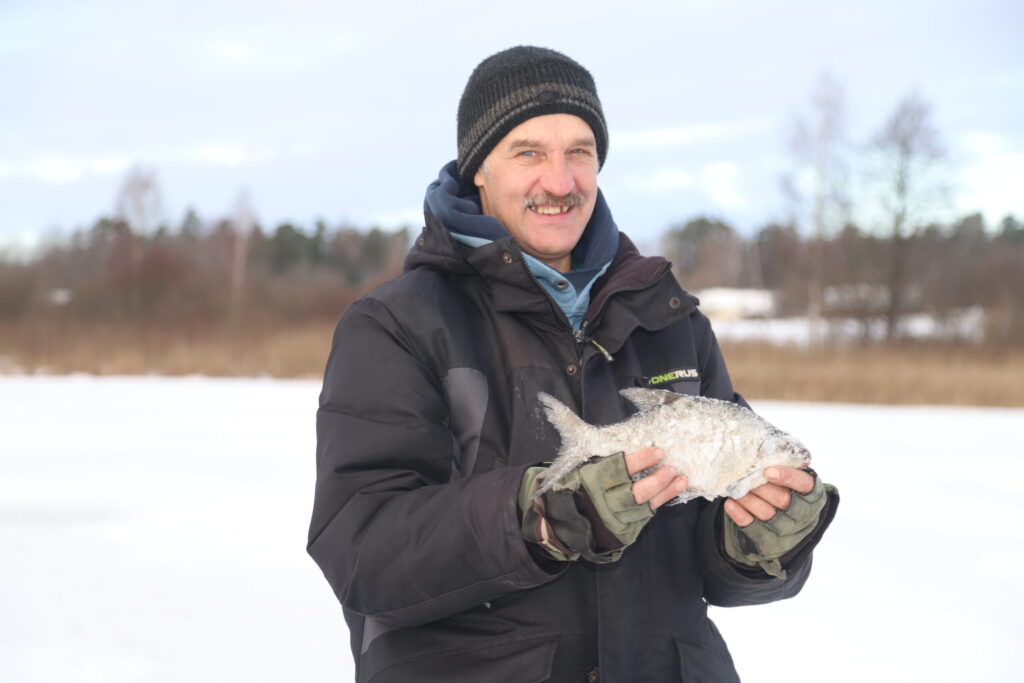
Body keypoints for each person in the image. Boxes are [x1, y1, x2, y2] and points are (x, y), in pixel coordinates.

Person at [308, 46, 839, 683]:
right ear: (478, 168)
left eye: (579, 152)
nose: (559, 182)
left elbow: (710, 563)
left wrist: (758, 543)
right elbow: (364, 551)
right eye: (528, 152)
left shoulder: (670, 321)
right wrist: (538, 517)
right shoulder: (397, 325)